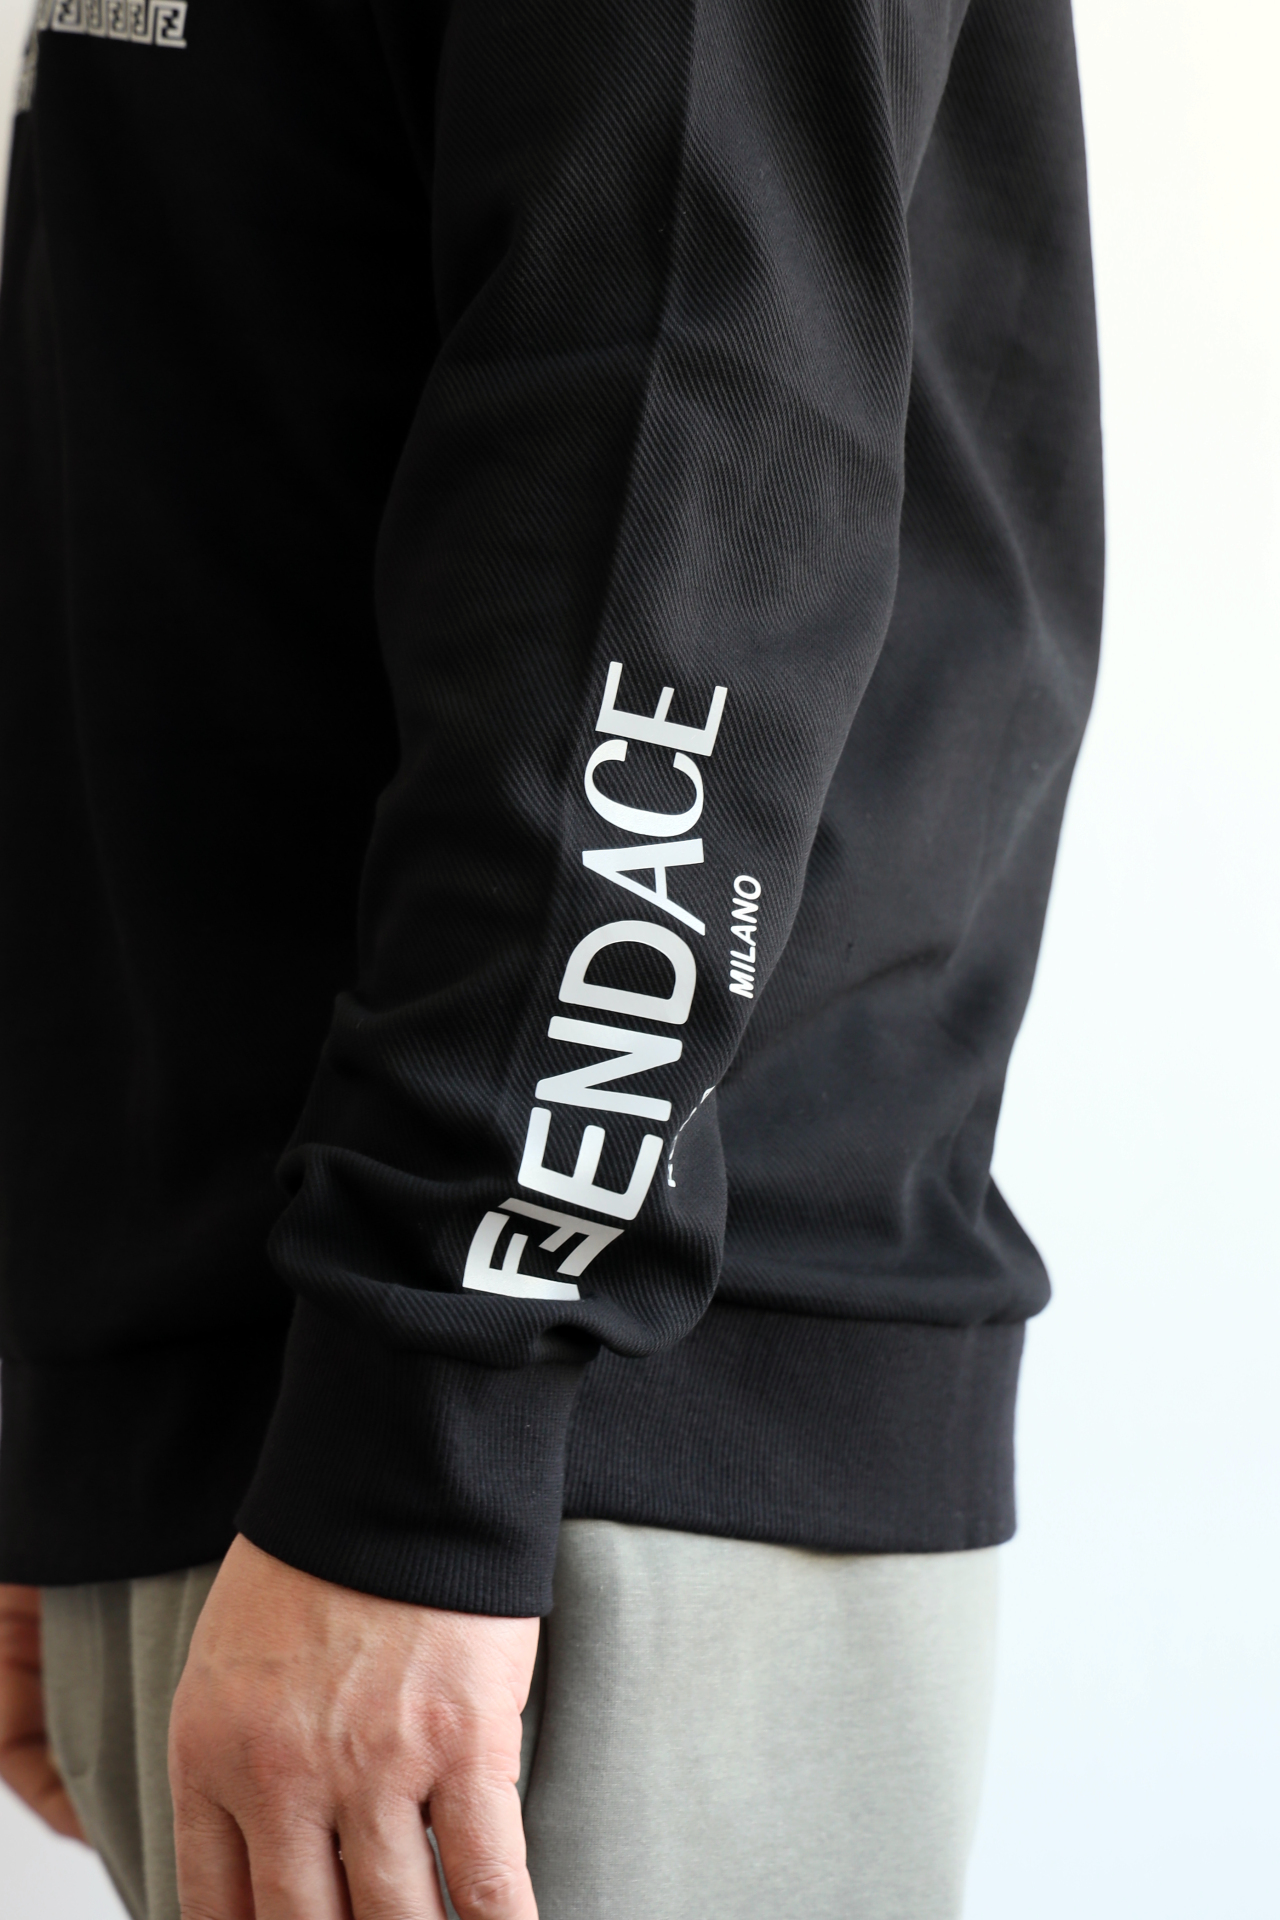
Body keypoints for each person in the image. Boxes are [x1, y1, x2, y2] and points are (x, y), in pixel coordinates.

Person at [0, 0, 1103, 1914]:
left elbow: (677, 442)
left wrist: (433, 1406)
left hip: (558, 1432)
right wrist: (93, 1398)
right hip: (274, 1411)